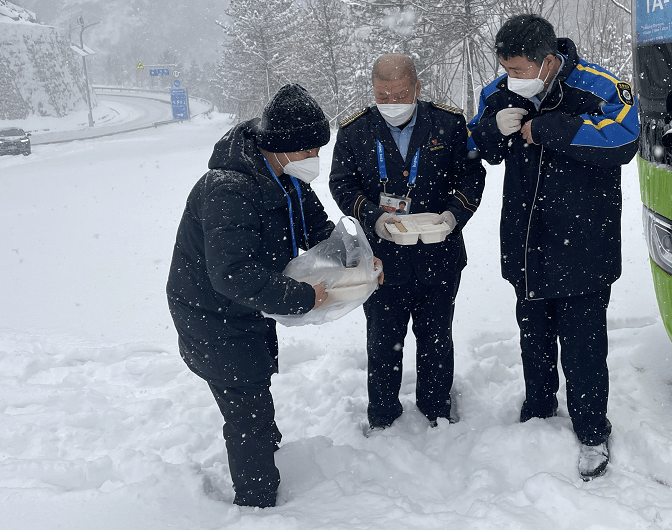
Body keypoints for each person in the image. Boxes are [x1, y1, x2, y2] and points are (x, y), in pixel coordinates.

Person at [166, 84, 382, 508]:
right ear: (279, 147)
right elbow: (232, 274)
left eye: (318, 150)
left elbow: (319, 232)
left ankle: (266, 449)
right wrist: (305, 297)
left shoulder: (284, 178)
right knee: (247, 412)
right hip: (211, 315)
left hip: (246, 311)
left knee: (253, 393)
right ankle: (257, 501)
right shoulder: (227, 189)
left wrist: (360, 261)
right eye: (307, 152)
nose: (313, 161)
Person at [467, 14, 639, 480]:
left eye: (519, 69)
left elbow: (625, 139)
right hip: (526, 245)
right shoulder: (499, 91)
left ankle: (591, 432)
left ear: (547, 62)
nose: (511, 78)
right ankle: (538, 413)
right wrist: (490, 131)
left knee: (583, 347)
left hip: (584, 244)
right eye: (505, 69)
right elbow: (475, 143)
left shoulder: (600, 87)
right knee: (534, 338)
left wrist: (548, 129)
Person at [329, 53, 486, 433]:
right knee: (383, 341)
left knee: (436, 337)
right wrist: (373, 217)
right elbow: (342, 183)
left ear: (416, 87)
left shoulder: (447, 124)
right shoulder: (355, 131)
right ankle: (383, 413)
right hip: (382, 260)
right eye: (383, 95)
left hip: (439, 254)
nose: (392, 103)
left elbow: (471, 176)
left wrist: (453, 215)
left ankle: (437, 407)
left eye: (400, 93)